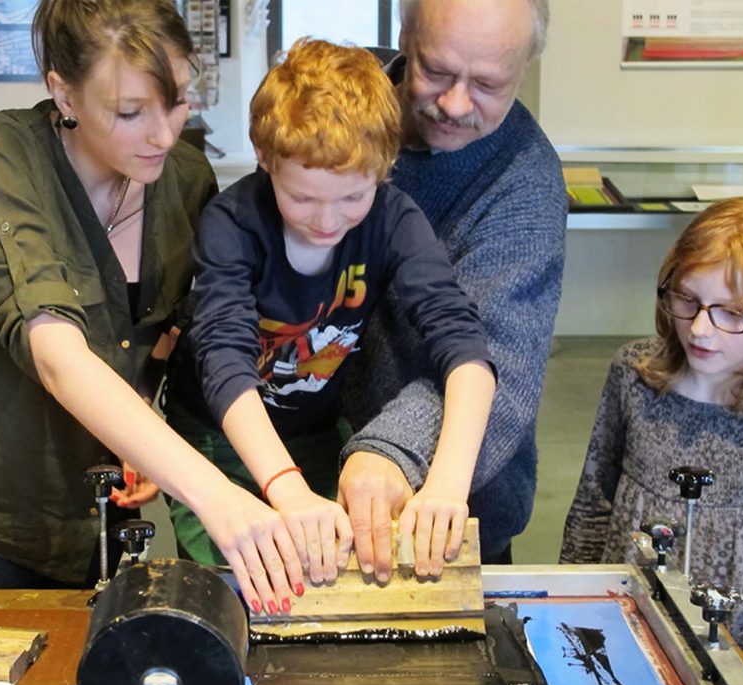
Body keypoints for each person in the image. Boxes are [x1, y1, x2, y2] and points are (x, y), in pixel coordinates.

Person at [0, 0, 304, 616]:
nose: (164, 134)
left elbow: (159, 334)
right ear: (64, 93)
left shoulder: (185, 179)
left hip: (92, 525)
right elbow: (58, 355)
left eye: (179, 100)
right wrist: (216, 498)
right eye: (131, 112)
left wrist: (137, 428)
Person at [164, 38, 496, 586]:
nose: (326, 220)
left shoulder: (392, 218)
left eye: (350, 199)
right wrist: (285, 488)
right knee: (238, 579)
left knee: (331, 570)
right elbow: (224, 359)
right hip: (216, 433)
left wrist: (445, 485)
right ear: (265, 158)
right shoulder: (233, 223)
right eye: (302, 198)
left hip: (315, 426)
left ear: (383, 170)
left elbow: (464, 346)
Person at [337, 0, 568, 581]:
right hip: (306, 485)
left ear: (528, 64)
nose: (455, 104)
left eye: (487, 84)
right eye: (436, 71)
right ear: (405, 33)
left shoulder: (525, 181)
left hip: (448, 511)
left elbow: (496, 357)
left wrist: (393, 450)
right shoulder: (335, 110)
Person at [561, 197, 743, 650]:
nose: (699, 329)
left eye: (731, 312)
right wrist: (571, 602)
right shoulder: (634, 374)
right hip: (626, 629)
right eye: (688, 300)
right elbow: (594, 504)